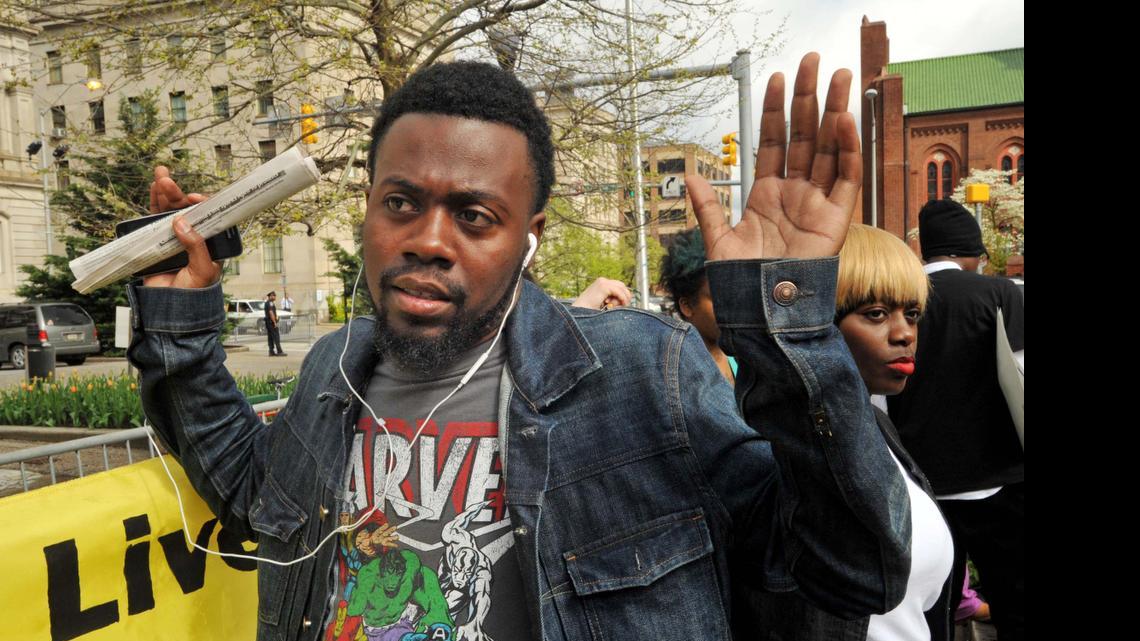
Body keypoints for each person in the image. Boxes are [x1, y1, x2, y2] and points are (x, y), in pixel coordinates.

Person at [129, 54, 910, 641]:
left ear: (528, 238)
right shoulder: (335, 366)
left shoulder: (645, 376)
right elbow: (252, 495)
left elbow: (848, 568)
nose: (428, 240)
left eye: (474, 216)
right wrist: (179, 322)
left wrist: (780, 321)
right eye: (401, 202)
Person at [887, 199, 1024, 640]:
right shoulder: (1000, 293)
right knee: (1014, 594)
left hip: (923, 483)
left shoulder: (898, 301)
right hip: (998, 479)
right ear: (970, 253)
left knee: (934, 603)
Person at [659, 228, 737, 383]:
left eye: (732, 295)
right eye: (718, 299)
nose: (731, 307)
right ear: (687, 306)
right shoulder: (674, 375)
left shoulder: (741, 360)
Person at [265, 291, 286, 356]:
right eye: (273, 296)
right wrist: (274, 322)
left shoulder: (268, 303)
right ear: (270, 296)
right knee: (276, 337)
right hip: (271, 322)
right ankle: (279, 351)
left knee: (270, 337)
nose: (274, 297)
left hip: (268, 322)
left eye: (275, 296)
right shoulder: (270, 303)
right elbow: (271, 313)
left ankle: (271, 351)